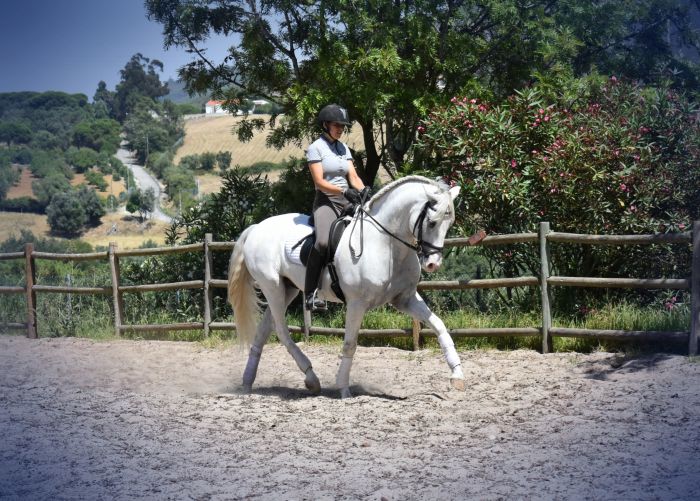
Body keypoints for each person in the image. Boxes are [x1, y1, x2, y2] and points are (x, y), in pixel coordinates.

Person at [304, 104, 370, 311]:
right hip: (326, 201)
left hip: (347, 200)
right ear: (325, 125)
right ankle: (311, 293)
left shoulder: (343, 148)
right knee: (323, 242)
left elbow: (354, 177)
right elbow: (319, 182)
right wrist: (343, 192)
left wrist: (365, 192)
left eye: (343, 126)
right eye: (336, 125)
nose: (340, 129)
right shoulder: (316, 148)